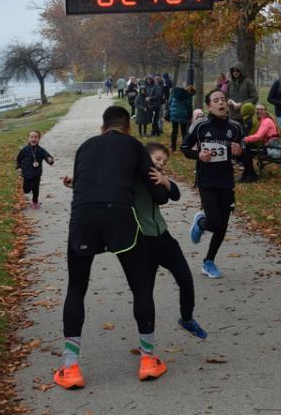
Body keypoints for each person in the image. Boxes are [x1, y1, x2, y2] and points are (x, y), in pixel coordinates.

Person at [54, 106, 172, 389]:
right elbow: (158, 195)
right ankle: (148, 360)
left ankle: (71, 369)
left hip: (83, 215)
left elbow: (81, 183)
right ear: (127, 128)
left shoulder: (85, 146)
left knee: (76, 288)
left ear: (102, 128)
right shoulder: (134, 146)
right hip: (120, 215)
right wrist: (164, 184)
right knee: (140, 286)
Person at [138, 142, 207, 339]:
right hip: (143, 242)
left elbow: (174, 194)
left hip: (164, 238)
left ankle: (187, 318)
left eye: (164, 162)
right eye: (158, 158)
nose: (161, 163)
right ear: (145, 157)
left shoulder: (158, 179)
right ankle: (146, 338)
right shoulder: (132, 176)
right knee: (145, 293)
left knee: (185, 279)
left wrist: (166, 182)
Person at [181, 88, 244, 278]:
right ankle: (201, 223)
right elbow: (184, 147)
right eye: (216, 100)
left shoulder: (235, 127)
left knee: (222, 226)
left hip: (226, 181)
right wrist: (198, 155)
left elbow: (243, 151)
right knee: (214, 222)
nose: (221, 102)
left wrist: (239, 152)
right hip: (206, 180)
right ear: (209, 106)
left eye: (223, 99)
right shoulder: (201, 126)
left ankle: (208, 262)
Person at [15, 130, 55, 208]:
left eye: (36, 137)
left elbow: (47, 156)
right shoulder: (24, 150)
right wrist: (19, 167)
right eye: (31, 137)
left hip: (37, 172)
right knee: (26, 190)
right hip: (26, 172)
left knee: (35, 188)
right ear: (28, 138)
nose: (33, 139)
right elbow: (19, 158)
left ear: (38, 138)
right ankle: (29, 188)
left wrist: (50, 160)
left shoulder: (41, 150)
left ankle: (35, 202)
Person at [168, 82, 195, 151]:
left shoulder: (174, 93)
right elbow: (189, 107)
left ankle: (173, 147)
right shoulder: (188, 96)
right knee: (184, 132)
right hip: (183, 115)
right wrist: (190, 116)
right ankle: (184, 146)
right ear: (190, 91)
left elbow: (169, 102)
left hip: (174, 115)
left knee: (174, 131)